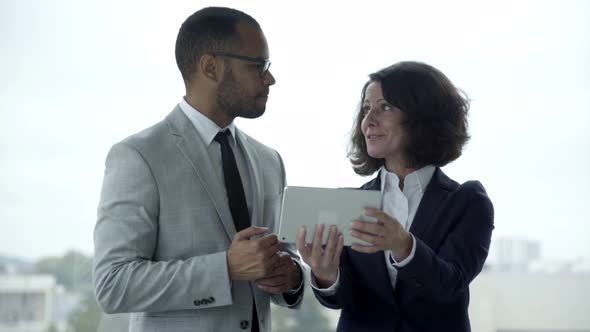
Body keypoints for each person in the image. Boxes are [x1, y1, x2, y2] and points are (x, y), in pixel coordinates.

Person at [93, 7, 304, 332]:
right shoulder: (138, 156)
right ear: (210, 67)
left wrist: (293, 276)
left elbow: (281, 256)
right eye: (258, 66)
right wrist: (225, 269)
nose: (269, 79)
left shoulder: (269, 161)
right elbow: (113, 285)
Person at [297, 61, 494, 332]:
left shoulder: (467, 201)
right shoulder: (348, 203)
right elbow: (345, 299)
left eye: (385, 107)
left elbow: (449, 285)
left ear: (423, 115)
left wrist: (404, 246)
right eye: (367, 109)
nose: (369, 120)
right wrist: (326, 274)